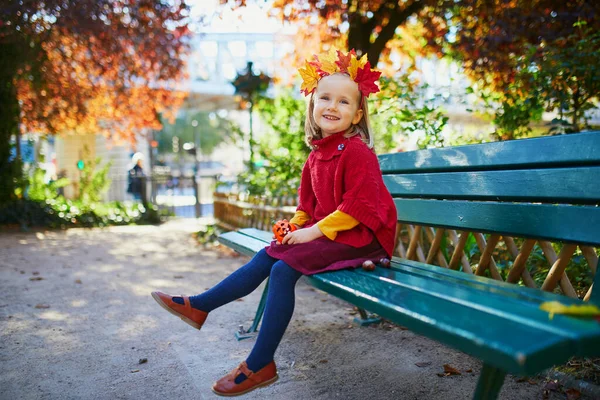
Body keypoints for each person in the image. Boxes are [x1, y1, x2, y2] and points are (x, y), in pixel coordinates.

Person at [151, 47, 397, 396]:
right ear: (312, 105)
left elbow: (358, 206)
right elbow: (307, 206)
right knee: (274, 251)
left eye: (344, 102)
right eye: (325, 97)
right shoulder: (316, 156)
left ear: (358, 115)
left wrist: (312, 231)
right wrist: (295, 227)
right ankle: (200, 306)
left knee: (283, 269)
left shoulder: (356, 151)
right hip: (332, 232)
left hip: (362, 235)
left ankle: (259, 364)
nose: (332, 106)